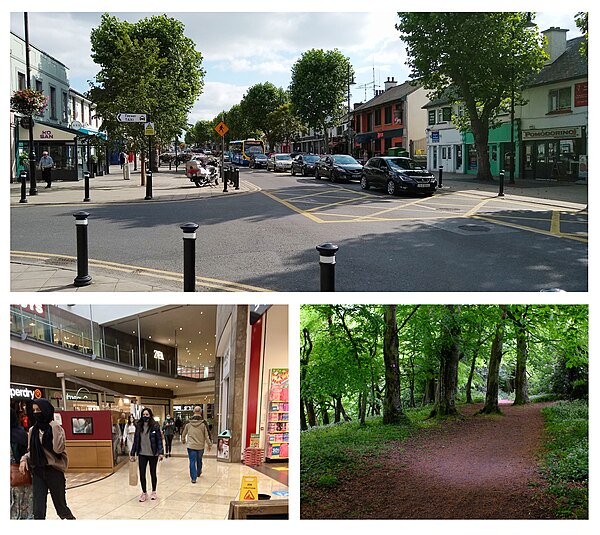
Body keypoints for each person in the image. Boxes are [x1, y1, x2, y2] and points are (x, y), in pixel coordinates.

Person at [18, 399, 75, 519]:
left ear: (46, 410)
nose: (36, 413)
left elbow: (58, 449)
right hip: (38, 472)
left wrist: (54, 427)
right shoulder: (33, 431)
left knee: (61, 508)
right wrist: (23, 459)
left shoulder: (56, 428)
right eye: (33, 410)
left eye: (39, 410)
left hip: (54, 472)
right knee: (38, 511)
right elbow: (30, 452)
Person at [129, 407, 164, 502]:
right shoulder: (138, 426)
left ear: (150, 415)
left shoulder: (155, 426)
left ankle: (154, 491)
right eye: (143, 415)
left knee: (153, 473)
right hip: (142, 454)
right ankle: (144, 492)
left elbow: (159, 440)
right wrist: (132, 453)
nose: (145, 416)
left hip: (153, 454)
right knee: (142, 474)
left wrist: (161, 452)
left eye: (147, 414)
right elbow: (136, 441)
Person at [11, 408, 33, 519]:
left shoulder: (19, 435)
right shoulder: (21, 434)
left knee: (21, 506)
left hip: (19, 476)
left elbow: (27, 454)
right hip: (17, 478)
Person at [181, 405, 212, 483]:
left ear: (193, 412)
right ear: (201, 412)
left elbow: (183, 432)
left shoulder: (188, 422)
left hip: (191, 446)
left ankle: (193, 478)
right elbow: (207, 435)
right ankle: (198, 472)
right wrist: (209, 444)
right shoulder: (204, 423)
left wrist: (183, 439)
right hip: (200, 446)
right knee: (199, 460)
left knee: (192, 461)